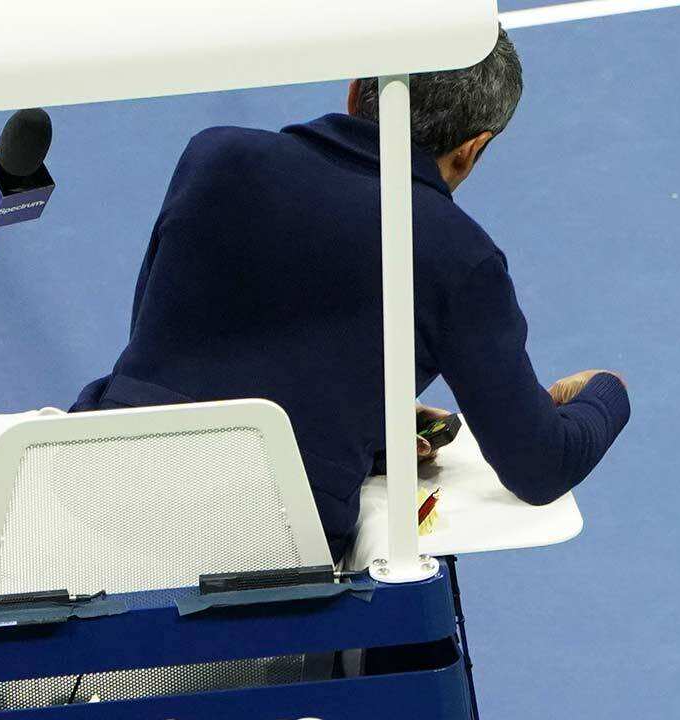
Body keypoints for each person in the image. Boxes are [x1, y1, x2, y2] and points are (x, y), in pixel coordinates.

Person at [69, 27, 631, 561]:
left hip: (83, 498)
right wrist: (607, 394)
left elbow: (164, 341)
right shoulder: (457, 255)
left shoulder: (213, 156)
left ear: (356, 90)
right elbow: (540, 466)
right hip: (261, 550)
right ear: (471, 149)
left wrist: (360, 416)